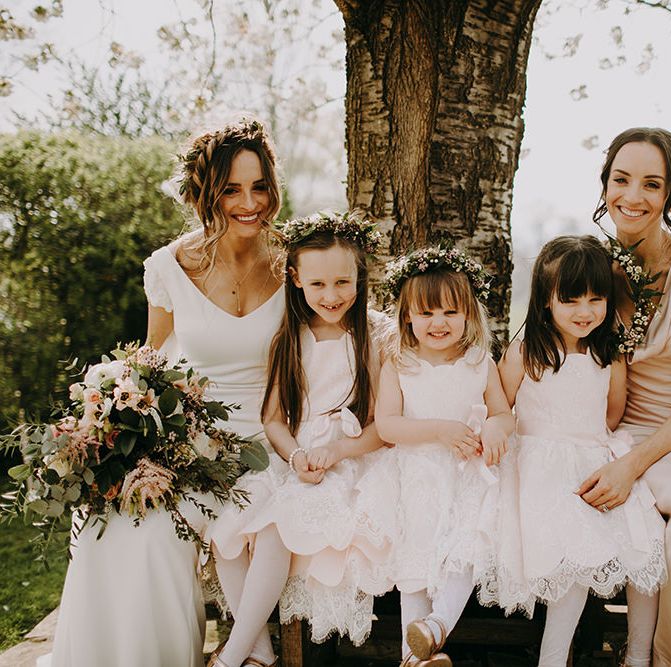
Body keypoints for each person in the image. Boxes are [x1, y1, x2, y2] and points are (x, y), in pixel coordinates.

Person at [42, 118, 285, 667]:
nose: (249, 203)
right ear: (206, 193)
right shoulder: (170, 266)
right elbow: (150, 359)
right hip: (192, 441)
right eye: (231, 189)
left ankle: (250, 652)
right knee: (134, 526)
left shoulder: (294, 262)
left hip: (271, 439)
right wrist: (108, 424)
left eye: (259, 186)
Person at [206, 212, 396, 667]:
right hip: (295, 457)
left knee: (276, 528)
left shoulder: (375, 337)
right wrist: (294, 457)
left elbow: (383, 427)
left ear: (359, 276)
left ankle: (231, 658)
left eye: (342, 283)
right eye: (318, 285)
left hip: (349, 457)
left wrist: (336, 451)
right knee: (225, 532)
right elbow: (272, 419)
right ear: (295, 280)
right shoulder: (289, 337)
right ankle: (260, 654)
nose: (331, 296)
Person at [575, 127, 671, 667]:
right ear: (604, 185)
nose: (632, 196)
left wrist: (632, 468)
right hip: (626, 429)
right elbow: (543, 343)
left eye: (651, 184)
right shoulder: (589, 265)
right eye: (620, 180)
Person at [497, 235, 666, 667]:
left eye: (596, 299)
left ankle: (639, 655)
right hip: (542, 470)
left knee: (645, 543)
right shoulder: (526, 353)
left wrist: (592, 450)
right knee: (571, 556)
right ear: (546, 300)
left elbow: (611, 415)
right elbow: (499, 407)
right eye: (571, 300)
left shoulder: (608, 355)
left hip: (594, 460)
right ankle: (553, 658)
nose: (586, 311)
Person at [375, 246, 515, 667]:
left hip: (468, 476)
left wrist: (494, 426)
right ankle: (412, 656)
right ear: (407, 318)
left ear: (469, 315)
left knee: (466, 551)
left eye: (451, 312)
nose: (439, 323)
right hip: (416, 475)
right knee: (414, 564)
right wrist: (439, 429)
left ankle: (436, 628)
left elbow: (504, 413)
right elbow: (387, 426)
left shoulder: (479, 362)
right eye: (427, 313)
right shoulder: (398, 364)